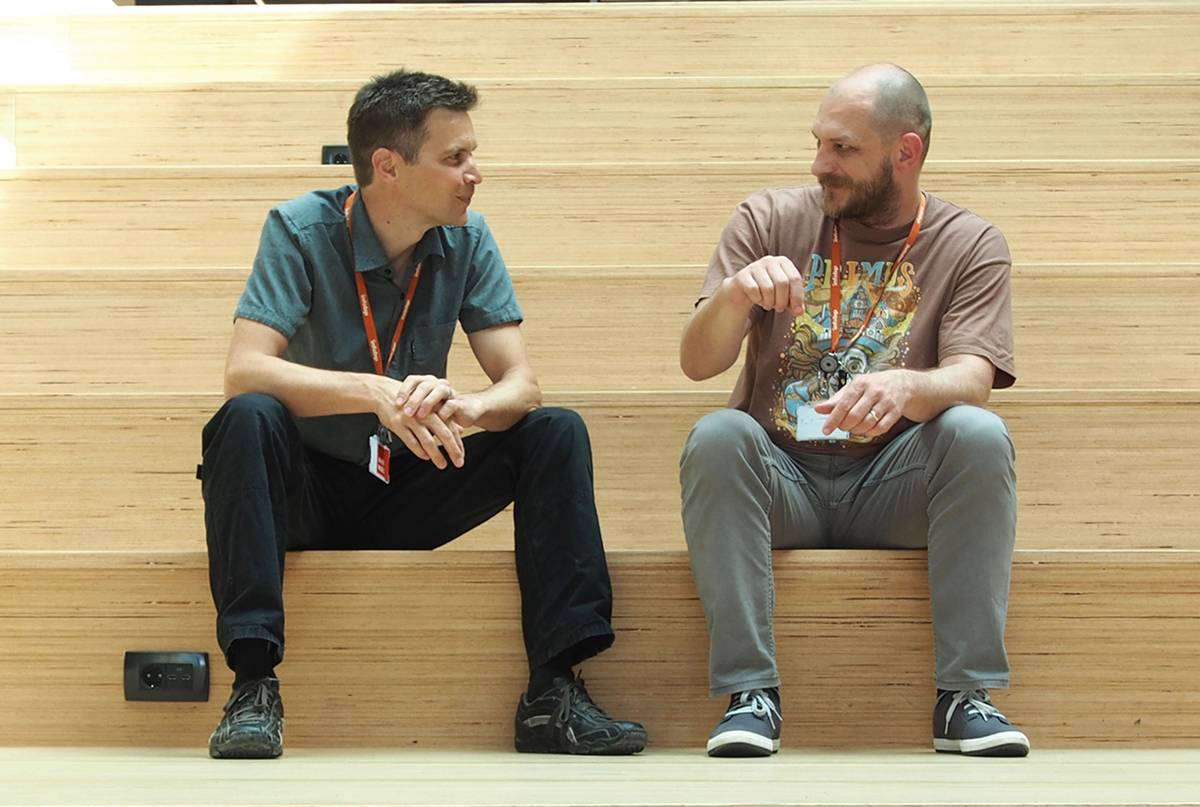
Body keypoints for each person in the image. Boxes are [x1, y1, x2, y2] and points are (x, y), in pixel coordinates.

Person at [198, 69, 646, 759]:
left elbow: (521, 382)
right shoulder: (300, 227)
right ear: (389, 167)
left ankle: (553, 695)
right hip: (307, 489)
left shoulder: (467, 238)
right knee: (246, 417)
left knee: (555, 431)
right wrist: (374, 390)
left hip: (409, 480)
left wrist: (470, 406)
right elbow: (244, 369)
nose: (475, 174)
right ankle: (254, 686)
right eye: (455, 158)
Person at [678, 63, 1029, 759]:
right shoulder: (769, 218)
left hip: (893, 484)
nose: (820, 165)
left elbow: (974, 375)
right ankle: (750, 695)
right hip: (781, 479)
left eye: (843, 149)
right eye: (819, 143)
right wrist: (735, 296)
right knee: (717, 435)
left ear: (907, 152)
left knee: (978, 435)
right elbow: (698, 362)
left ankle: (965, 698)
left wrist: (909, 388)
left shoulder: (969, 242)